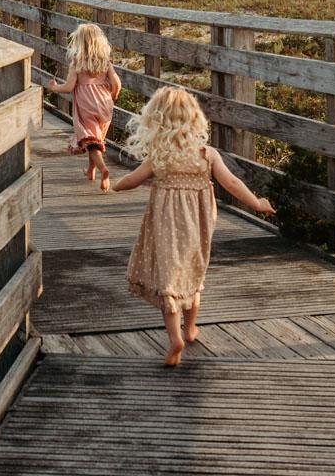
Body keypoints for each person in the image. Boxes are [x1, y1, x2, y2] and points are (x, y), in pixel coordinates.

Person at [112, 86, 276, 366]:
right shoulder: (206, 154)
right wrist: (256, 203)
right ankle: (190, 329)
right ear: (194, 119)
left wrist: (116, 186)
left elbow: (134, 179)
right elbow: (232, 183)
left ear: (158, 120)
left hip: (164, 226)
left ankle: (175, 337)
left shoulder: (160, 155)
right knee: (192, 271)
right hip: (198, 225)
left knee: (169, 279)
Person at [46, 23, 121, 192]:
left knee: (90, 141)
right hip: (105, 103)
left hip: (86, 104)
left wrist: (54, 87)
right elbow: (117, 83)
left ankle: (103, 169)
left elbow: (68, 87)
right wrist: (113, 96)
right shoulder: (105, 61)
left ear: (79, 42)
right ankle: (91, 171)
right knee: (95, 139)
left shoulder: (77, 62)